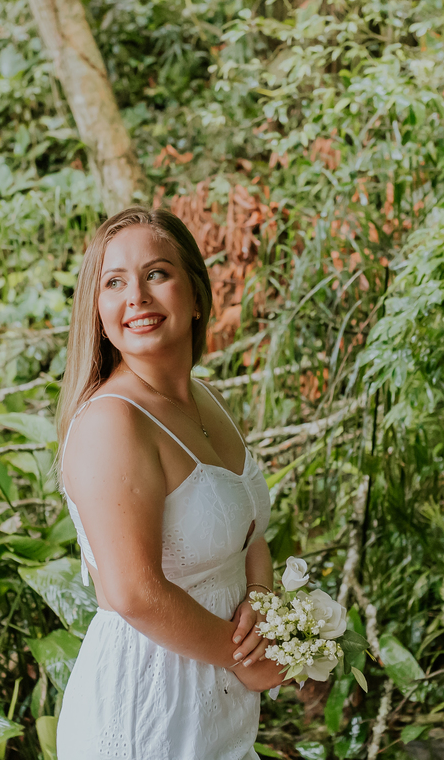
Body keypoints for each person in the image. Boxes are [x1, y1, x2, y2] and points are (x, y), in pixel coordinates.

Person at [53, 207, 285, 759]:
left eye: (156, 273)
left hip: (218, 709)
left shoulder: (205, 399)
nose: (136, 296)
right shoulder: (113, 423)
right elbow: (133, 593)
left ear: (197, 296)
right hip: (146, 711)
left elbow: (249, 531)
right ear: (98, 312)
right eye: (114, 283)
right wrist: (244, 657)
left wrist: (262, 601)